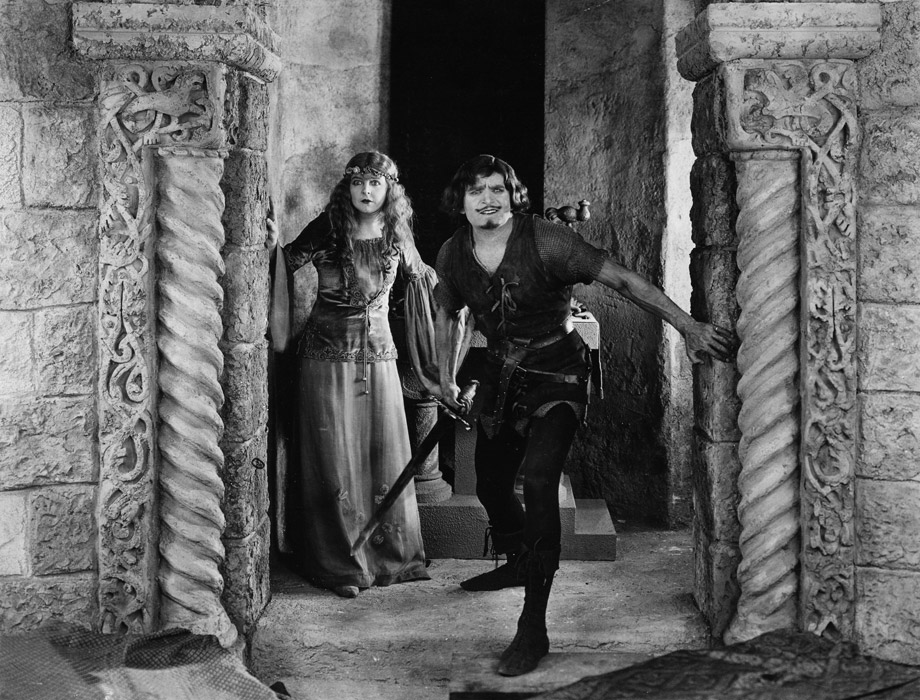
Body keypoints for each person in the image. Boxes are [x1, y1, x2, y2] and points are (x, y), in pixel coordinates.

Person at [433, 155, 734, 676]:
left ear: (513, 195)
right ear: (460, 201)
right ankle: (520, 560)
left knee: (540, 481)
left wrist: (687, 326)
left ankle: (533, 624)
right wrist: (445, 376)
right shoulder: (453, 253)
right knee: (490, 486)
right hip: (502, 377)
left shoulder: (547, 240)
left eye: (498, 189)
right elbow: (447, 310)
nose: (488, 200)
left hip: (558, 374)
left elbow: (624, 281)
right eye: (476, 191)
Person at [269, 151, 437, 598]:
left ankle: (387, 557)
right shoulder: (328, 227)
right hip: (326, 358)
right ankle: (340, 565)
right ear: (348, 187)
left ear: (390, 190)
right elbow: (284, 262)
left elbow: (422, 278)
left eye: (375, 183)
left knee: (380, 454)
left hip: (379, 358)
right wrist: (271, 247)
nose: (366, 191)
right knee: (334, 456)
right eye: (358, 182)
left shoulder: (397, 230)